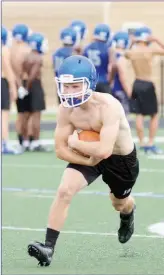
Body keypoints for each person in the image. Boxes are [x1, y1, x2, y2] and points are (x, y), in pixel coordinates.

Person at [27, 55, 139, 267]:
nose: (69, 92)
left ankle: (128, 213)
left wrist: (76, 143)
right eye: (65, 86)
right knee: (64, 190)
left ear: (90, 83)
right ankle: (48, 247)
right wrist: (87, 161)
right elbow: (60, 149)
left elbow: (105, 150)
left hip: (120, 160)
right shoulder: (66, 109)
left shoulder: (109, 106)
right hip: (89, 156)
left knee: (119, 203)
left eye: (75, 86)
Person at [124, 26, 164, 154]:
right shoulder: (150, 49)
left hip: (137, 83)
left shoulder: (132, 52)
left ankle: (141, 142)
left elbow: (125, 54)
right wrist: (156, 40)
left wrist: (132, 43)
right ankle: (150, 142)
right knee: (154, 115)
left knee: (139, 114)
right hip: (148, 83)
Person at [23, 33, 48, 152]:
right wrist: (28, 87)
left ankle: (26, 140)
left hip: (27, 85)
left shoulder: (27, 56)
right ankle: (36, 142)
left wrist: (25, 87)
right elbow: (32, 75)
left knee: (27, 115)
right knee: (36, 115)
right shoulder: (38, 58)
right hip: (34, 86)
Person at [10, 23, 31, 151]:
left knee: (20, 113)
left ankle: (20, 139)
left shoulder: (10, 49)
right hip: (23, 82)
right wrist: (20, 85)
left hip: (16, 82)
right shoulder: (26, 49)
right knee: (25, 114)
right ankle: (24, 139)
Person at [1, 26, 19, 154]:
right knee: (4, 114)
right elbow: (7, 68)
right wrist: (13, 87)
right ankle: (4, 143)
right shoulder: (4, 49)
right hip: (2, 82)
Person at [83, 23, 112, 94]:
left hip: (90, 82)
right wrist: (110, 79)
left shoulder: (86, 48)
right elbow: (112, 66)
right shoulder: (108, 49)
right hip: (103, 81)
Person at [52, 27, 78, 104]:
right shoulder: (74, 53)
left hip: (60, 84)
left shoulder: (56, 53)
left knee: (62, 109)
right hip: (72, 85)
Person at [108, 31, 131, 115]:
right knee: (122, 120)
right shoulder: (122, 58)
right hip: (120, 91)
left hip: (110, 90)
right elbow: (123, 77)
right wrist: (130, 93)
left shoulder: (110, 55)